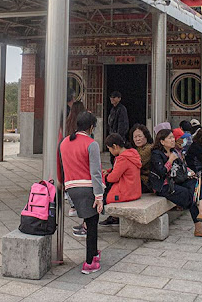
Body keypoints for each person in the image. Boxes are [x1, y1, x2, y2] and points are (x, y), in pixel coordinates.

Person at [149, 129, 202, 238]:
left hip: (176, 181)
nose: (173, 140)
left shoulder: (174, 152)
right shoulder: (156, 154)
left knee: (195, 182)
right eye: (170, 138)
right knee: (190, 194)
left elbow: (182, 167)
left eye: (173, 137)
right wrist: (170, 160)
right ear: (162, 141)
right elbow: (161, 171)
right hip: (164, 185)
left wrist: (189, 172)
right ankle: (199, 228)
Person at [59, 111, 104, 274]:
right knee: (92, 225)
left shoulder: (64, 142)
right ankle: (90, 262)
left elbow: (63, 168)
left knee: (88, 220)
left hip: (71, 188)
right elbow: (96, 172)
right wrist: (99, 196)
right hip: (88, 188)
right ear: (91, 127)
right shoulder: (91, 144)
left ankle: (93, 253)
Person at [99, 133, 142, 226]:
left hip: (126, 192)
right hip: (135, 190)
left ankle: (114, 217)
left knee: (105, 197)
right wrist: (109, 171)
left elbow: (112, 178)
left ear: (115, 146)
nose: (110, 151)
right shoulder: (132, 154)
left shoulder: (122, 158)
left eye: (109, 149)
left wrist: (106, 175)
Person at [63, 101, 86, 217]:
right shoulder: (84, 123)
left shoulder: (68, 121)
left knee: (70, 176)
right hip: (81, 153)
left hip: (68, 152)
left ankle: (72, 205)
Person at [107, 91, 130, 164]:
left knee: (118, 158)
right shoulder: (113, 109)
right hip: (112, 135)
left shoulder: (122, 109)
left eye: (114, 97)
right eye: (111, 97)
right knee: (112, 158)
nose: (112, 99)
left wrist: (118, 137)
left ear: (119, 98)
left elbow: (122, 125)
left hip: (118, 138)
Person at [131, 124, 153, 194]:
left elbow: (135, 164)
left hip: (145, 181)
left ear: (146, 136)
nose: (137, 139)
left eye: (140, 136)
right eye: (135, 137)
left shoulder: (149, 148)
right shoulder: (136, 149)